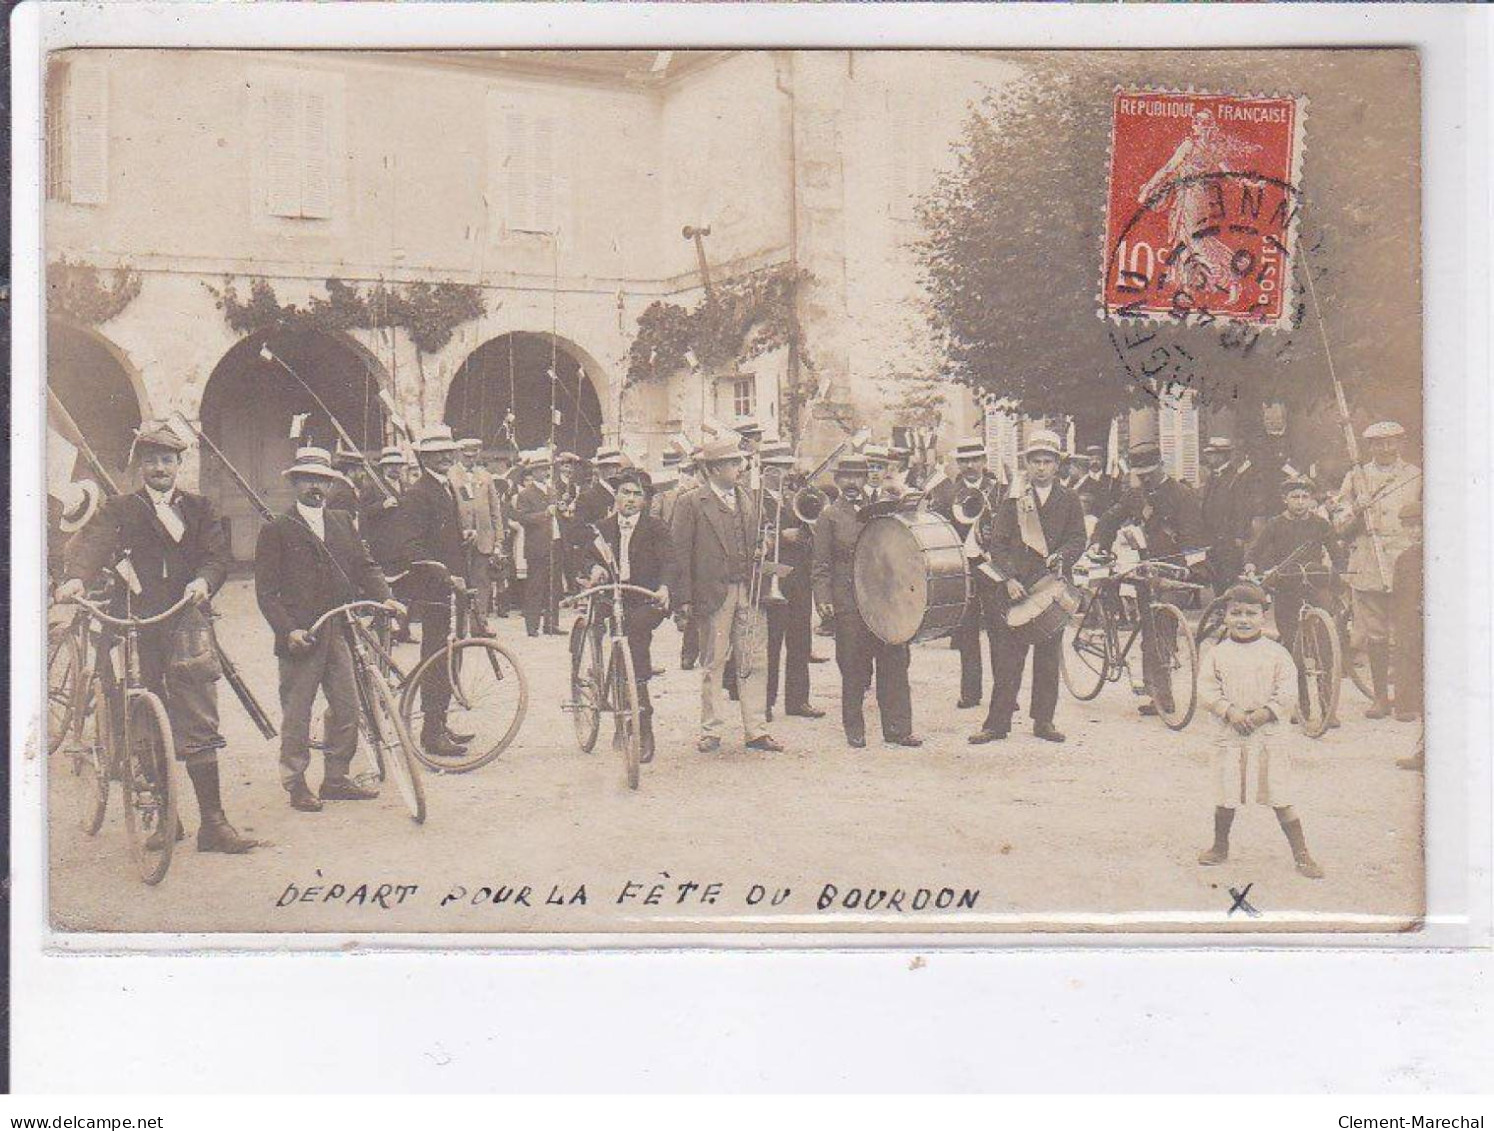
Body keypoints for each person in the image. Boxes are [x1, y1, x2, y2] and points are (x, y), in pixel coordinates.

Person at [57, 420, 256, 854]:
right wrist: (75, 579)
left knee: (199, 716)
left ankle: (214, 824)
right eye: (151, 461)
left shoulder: (200, 508)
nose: (159, 468)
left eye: (167, 460)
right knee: (145, 718)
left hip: (185, 619)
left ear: (179, 464)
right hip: (137, 623)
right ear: (141, 466)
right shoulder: (120, 509)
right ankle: (166, 820)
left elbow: (217, 556)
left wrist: (204, 582)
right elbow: (92, 546)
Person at [254, 447, 402, 811]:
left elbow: (365, 567)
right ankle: (296, 783)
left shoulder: (340, 522)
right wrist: (287, 630)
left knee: (347, 706)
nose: (315, 486)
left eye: (321, 479)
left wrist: (385, 597)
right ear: (295, 483)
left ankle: (336, 777)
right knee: (297, 712)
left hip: (338, 629)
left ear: (331, 483)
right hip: (301, 636)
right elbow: (266, 593)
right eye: (307, 479)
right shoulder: (277, 528)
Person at [1196, 583, 1324, 880]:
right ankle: (1219, 846)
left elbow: (1288, 690)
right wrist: (1229, 711)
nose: (1243, 620)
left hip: (1268, 733)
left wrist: (1264, 714)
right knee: (1227, 789)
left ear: (1263, 617)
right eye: (1235, 613)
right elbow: (1206, 689)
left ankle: (1302, 854)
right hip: (1231, 731)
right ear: (1225, 616)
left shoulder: (1276, 653)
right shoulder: (1217, 654)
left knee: (1279, 791)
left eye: (1251, 613)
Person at [970, 430, 1087, 745]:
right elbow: (999, 542)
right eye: (1035, 461)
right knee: (1009, 659)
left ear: (1057, 465)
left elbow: (1079, 537)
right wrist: (1008, 578)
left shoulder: (1070, 498)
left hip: (1053, 586)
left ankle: (1044, 721)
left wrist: (1062, 557)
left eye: (1048, 461)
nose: (1041, 468)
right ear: (1028, 464)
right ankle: (997, 723)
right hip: (1017, 588)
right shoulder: (1014, 498)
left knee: (1048, 656)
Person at [669, 435, 783, 754]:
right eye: (734, 463)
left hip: (750, 589)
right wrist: (685, 599)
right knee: (714, 662)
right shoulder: (691, 502)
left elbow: (755, 537)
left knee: (753, 660)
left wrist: (763, 546)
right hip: (713, 593)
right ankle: (711, 730)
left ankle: (756, 730)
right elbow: (680, 553)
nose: (740, 468)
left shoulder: (746, 498)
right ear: (716, 467)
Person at [812, 454, 921, 749]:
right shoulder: (829, 516)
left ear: (865, 480)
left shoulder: (881, 511)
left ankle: (898, 729)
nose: (851, 483)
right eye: (845, 477)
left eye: (857, 476)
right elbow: (821, 565)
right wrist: (824, 600)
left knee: (894, 663)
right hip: (849, 603)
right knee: (853, 667)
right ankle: (854, 728)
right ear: (836, 481)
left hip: (885, 601)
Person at [1091, 440, 1207, 717]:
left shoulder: (1182, 495)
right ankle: (1154, 693)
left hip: (1173, 571)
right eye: (1139, 473)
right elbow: (1110, 519)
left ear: (1161, 466)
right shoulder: (1134, 496)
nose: (1144, 478)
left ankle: (1163, 695)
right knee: (1149, 630)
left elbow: (1193, 535)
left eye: (1149, 473)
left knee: (1162, 628)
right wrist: (1100, 546)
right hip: (1145, 569)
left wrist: (1194, 568)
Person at [577, 468, 673, 763]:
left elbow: (670, 561)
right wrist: (595, 570)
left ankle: (642, 726)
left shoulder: (656, 528)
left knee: (635, 639)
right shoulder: (603, 529)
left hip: (644, 599)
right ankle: (610, 699)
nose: (630, 500)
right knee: (601, 625)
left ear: (645, 500)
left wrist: (666, 588)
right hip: (611, 596)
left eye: (637, 495)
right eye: (625, 493)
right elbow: (588, 557)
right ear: (616, 496)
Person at [1331, 420, 1420, 719]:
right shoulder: (1357, 478)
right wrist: (1358, 507)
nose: (1386, 448)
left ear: (1400, 443)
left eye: (1391, 442)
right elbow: (1340, 525)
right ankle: (1380, 697)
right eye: (1379, 443)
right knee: (1376, 635)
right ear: (1369, 447)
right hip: (1369, 562)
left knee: (1408, 631)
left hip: (1407, 562)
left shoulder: (1415, 476)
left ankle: (1407, 700)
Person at [394, 425, 472, 758]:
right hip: (435, 588)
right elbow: (411, 546)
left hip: (452, 586)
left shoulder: (444, 487)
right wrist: (442, 573)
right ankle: (431, 732)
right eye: (436, 453)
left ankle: (440, 723)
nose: (444, 458)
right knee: (437, 659)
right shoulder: (418, 492)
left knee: (451, 655)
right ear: (423, 457)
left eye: (447, 452)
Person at [927, 438, 1005, 710]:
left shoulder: (999, 490)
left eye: (975, 460)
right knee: (967, 632)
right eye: (965, 461)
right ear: (958, 464)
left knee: (1000, 631)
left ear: (984, 461)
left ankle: (1004, 694)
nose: (970, 465)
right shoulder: (947, 493)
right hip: (963, 568)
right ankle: (970, 693)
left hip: (993, 567)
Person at [1244, 478, 1347, 657]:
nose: (1300, 502)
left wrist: (1341, 573)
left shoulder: (1321, 524)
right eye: (1295, 497)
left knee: (1326, 632)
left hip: (1314, 581)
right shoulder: (1275, 524)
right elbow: (1254, 552)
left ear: (1311, 499)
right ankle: (1294, 671)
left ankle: (1327, 675)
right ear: (1285, 499)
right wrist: (1251, 569)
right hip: (1287, 584)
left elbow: (1337, 555)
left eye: (1305, 497)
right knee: (1290, 637)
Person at [759, 440, 824, 723]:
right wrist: (778, 537)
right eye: (780, 468)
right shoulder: (755, 498)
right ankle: (766, 702)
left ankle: (798, 700)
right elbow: (755, 536)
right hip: (774, 575)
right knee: (771, 644)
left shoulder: (794, 496)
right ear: (766, 470)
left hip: (799, 576)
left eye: (788, 467)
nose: (786, 473)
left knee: (800, 640)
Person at [513, 450, 562, 637]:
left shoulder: (552, 491)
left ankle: (551, 624)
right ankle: (532, 626)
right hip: (537, 546)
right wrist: (545, 514)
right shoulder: (526, 494)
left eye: (546, 469)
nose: (545, 473)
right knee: (535, 586)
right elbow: (522, 518)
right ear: (533, 473)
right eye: (541, 469)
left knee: (554, 586)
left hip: (555, 542)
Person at [452, 437, 500, 628]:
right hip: (460, 539)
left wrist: (498, 540)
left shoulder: (486, 476)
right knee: (461, 583)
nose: (469, 460)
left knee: (482, 582)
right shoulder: (451, 475)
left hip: (484, 538)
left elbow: (495, 509)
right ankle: (461, 626)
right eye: (466, 456)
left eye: (473, 456)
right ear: (459, 454)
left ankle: (480, 624)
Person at [1200, 436, 1253, 588]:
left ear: (1223, 456)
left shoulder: (1236, 478)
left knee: (1229, 575)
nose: (1209, 457)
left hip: (1229, 538)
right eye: (1209, 454)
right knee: (1215, 573)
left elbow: (1243, 508)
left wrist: (1240, 535)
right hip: (1213, 537)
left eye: (1213, 454)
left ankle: (1230, 607)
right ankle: (1220, 607)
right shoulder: (1212, 476)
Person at [1391, 499, 1423, 726]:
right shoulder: (1404, 558)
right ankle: (1405, 704)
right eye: (1410, 527)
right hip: (1409, 616)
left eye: (1420, 526)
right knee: (1405, 651)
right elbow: (1399, 593)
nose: (1416, 532)